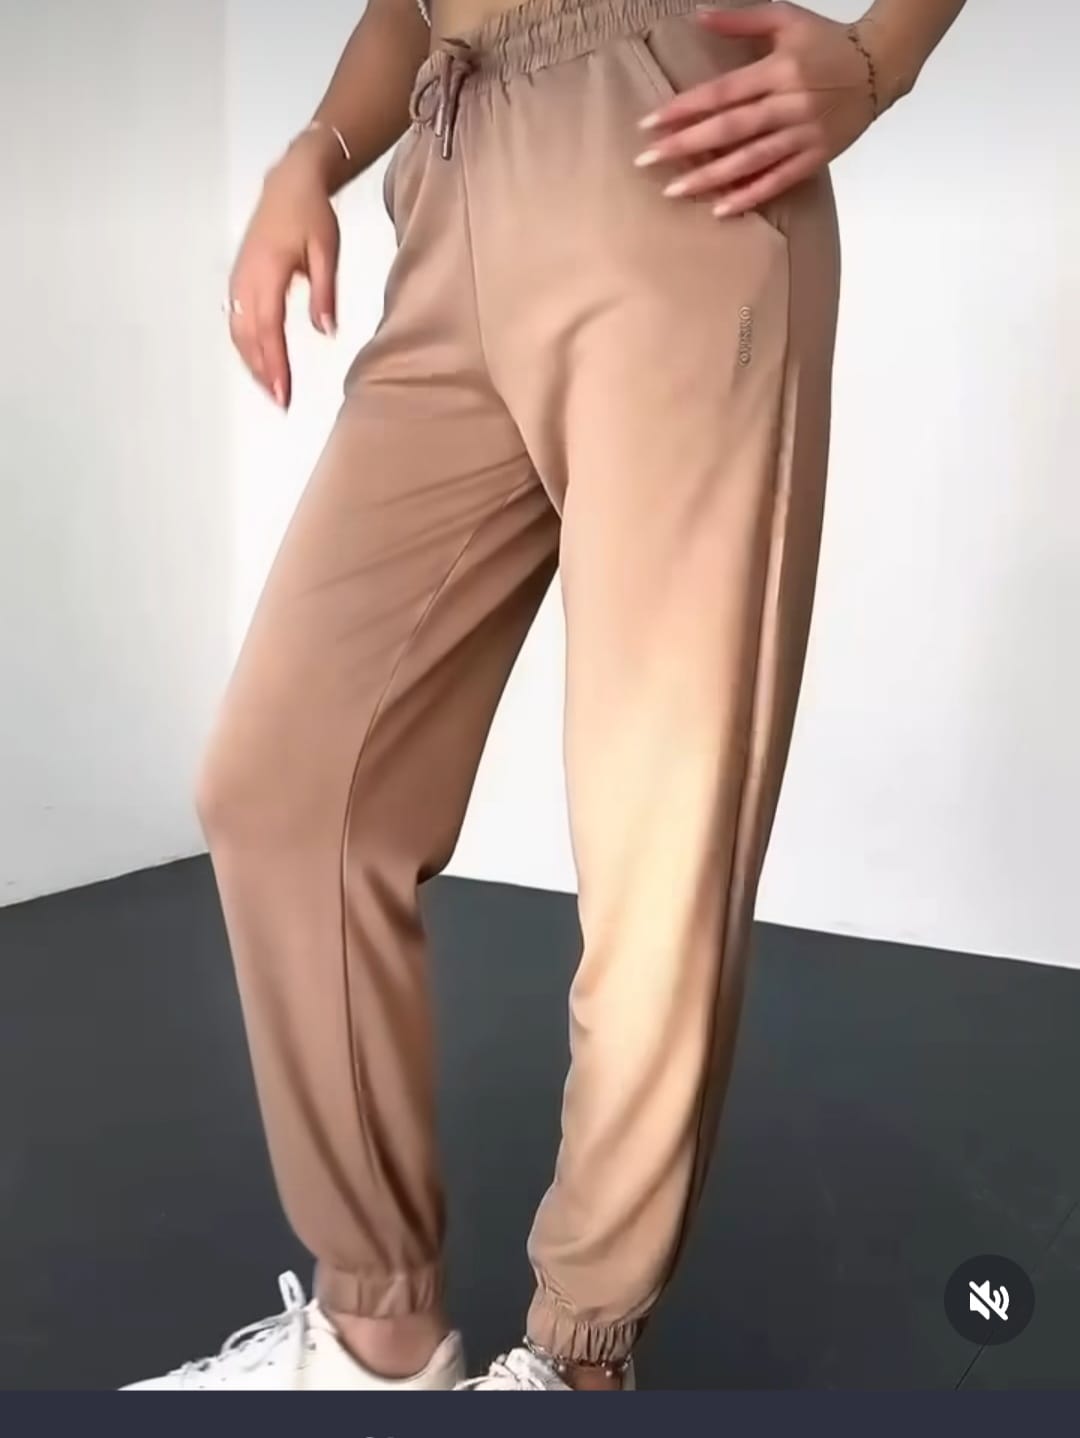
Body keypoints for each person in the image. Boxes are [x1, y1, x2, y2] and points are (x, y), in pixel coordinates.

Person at [124, 0, 966, 1393]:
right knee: (286, 780)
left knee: (658, 819)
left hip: (670, 142)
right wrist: (310, 156)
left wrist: (885, 58)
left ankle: (578, 1359)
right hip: (450, 177)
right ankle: (381, 1332)